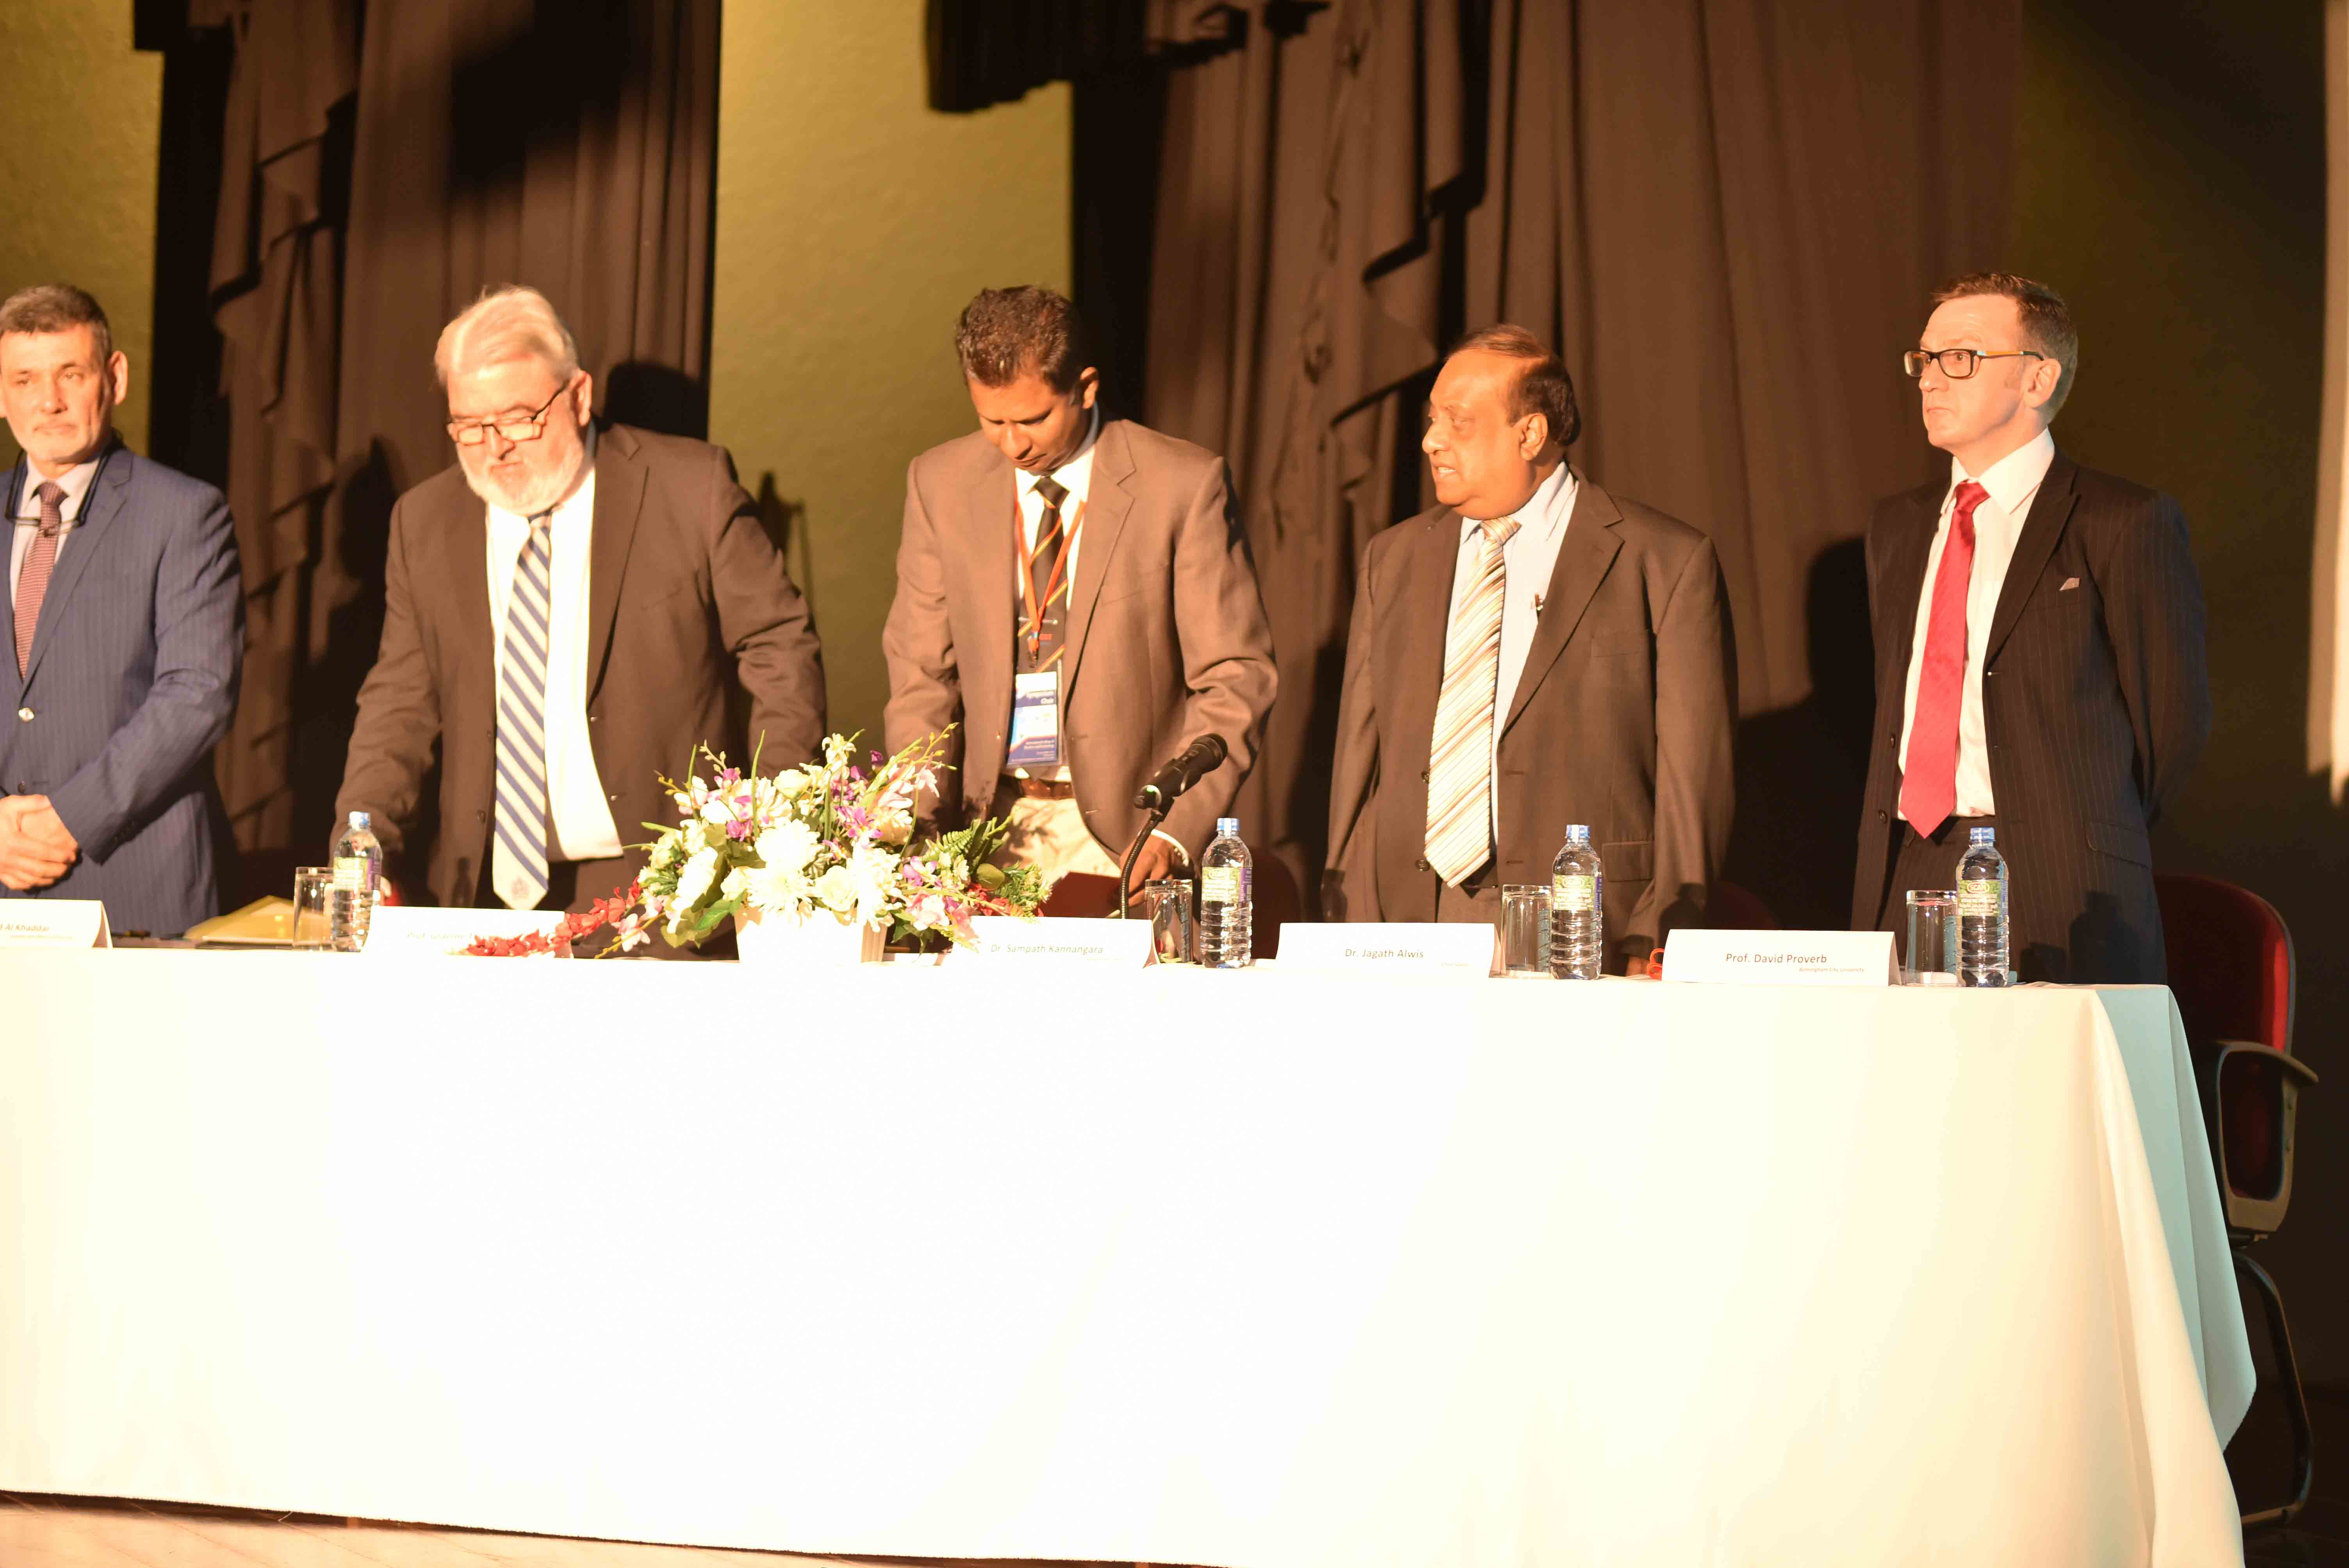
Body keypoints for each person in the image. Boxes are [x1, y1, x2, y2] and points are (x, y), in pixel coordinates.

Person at [336, 285, 824, 917]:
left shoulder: (689, 490)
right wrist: (362, 844)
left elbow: (781, 652)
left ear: (579, 396)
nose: (495, 447)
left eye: (519, 418)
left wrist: (770, 830)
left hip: (664, 889)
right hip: (482, 894)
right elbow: (398, 704)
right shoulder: (424, 522)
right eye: (469, 427)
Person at [1325, 325, 1735, 971]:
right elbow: (1358, 760)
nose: (1431, 441)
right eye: (1432, 420)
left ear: (1531, 434)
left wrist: (1657, 934)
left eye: (1458, 422)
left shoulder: (1663, 561)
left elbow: (1693, 782)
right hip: (1411, 920)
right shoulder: (1393, 558)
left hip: (1585, 925)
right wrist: (1347, 917)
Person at [1852, 273, 2209, 983]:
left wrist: (2075, 823)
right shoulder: (1898, 526)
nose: (1930, 379)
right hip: (1909, 864)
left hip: (2061, 876)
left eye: (1960, 358)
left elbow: (2171, 728)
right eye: (1924, 359)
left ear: (2037, 379)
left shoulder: (2122, 521)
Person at [882, 285, 1276, 890]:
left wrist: (1174, 832)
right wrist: (914, 824)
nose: (1013, 444)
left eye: (1033, 420)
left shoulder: (1182, 485)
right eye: (992, 421)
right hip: (985, 831)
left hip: (1128, 839)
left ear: (1086, 388)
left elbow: (1235, 677)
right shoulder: (940, 484)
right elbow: (922, 677)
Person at [0, 284, 242, 937]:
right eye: (24, 380)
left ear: (115, 378)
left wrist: (69, 817)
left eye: (70, 375)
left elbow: (198, 693)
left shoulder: (185, 513)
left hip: (133, 883)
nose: (48, 401)